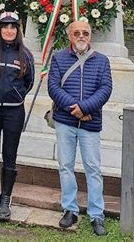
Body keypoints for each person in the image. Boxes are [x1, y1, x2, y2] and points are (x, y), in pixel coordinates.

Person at [47, 20, 112, 236]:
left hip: (90, 123)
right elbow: (53, 87)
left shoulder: (102, 61)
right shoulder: (58, 58)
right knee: (65, 166)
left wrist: (84, 108)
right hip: (65, 122)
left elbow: (105, 89)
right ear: (70, 36)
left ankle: (96, 215)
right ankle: (70, 210)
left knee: (93, 169)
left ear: (90, 36)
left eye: (85, 33)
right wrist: (74, 109)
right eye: (77, 33)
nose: (81, 36)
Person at [0, 12, 34, 221]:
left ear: (18, 30)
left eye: (13, 27)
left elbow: (28, 82)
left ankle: (5, 200)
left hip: (14, 111)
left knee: (9, 154)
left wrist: (15, 95)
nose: (9, 30)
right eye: (5, 26)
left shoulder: (25, 55)